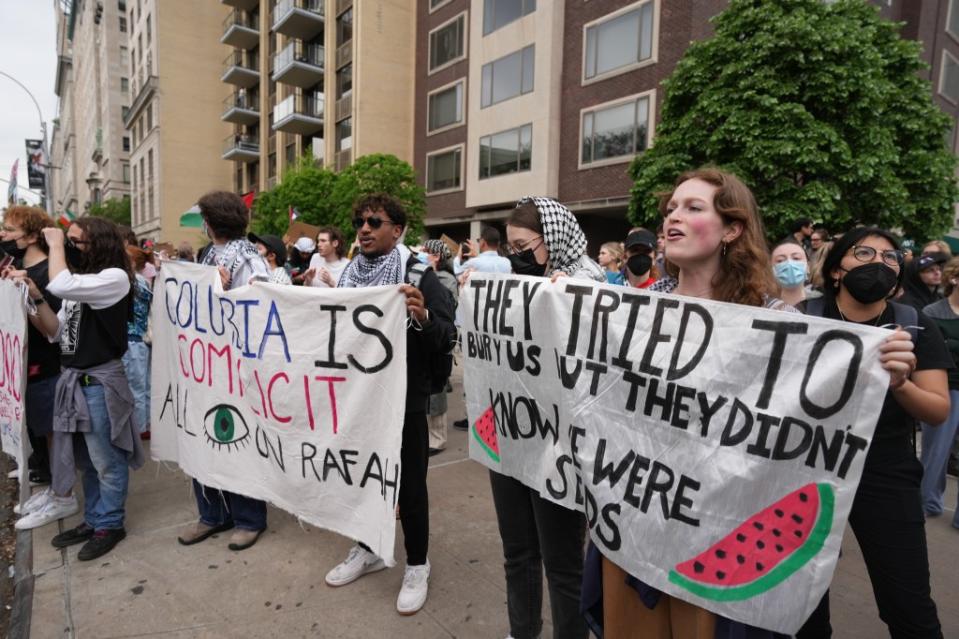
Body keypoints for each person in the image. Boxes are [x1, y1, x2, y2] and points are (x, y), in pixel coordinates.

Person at [587, 168, 793, 638]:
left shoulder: (775, 319)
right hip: (635, 512)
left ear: (733, 229)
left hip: (717, 529)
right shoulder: (636, 306)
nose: (672, 218)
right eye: (671, 209)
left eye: (693, 208)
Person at [797, 227, 949, 638]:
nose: (878, 263)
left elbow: (938, 410)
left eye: (890, 257)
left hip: (886, 471)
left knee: (909, 605)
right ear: (836, 271)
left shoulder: (915, 327)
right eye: (864, 253)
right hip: (805, 467)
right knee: (801, 605)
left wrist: (902, 384)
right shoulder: (800, 319)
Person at [324, 194, 455, 616]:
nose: (364, 228)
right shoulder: (347, 274)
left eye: (374, 221)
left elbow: (447, 334)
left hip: (405, 399)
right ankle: (369, 548)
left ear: (396, 230)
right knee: (363, 477)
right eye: (359, 221)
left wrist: (423, 317)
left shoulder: (418, 273)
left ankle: (417, 564)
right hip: (356, 396)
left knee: (410, 485)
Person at [491, 196, 602, 639]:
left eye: (523, 246)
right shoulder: (518, 286)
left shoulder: (591, 284)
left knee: (561, 564)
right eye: (509, 248)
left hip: (562, 446)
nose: (515, 256)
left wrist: (573, 304)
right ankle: (523, 632)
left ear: (552, 240)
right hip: (511, 433)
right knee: (517, 551)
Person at [16, 218, 144, 560]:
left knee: (107, 461)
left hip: (99, 385)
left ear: (97, 245)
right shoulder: (81, 285)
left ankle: (111, 524)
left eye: (76, 243)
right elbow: (55, 332)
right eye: (68, 242)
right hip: (76, 383)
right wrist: (34, 297)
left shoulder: (114, 277)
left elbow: (60, 282)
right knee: (87, 462)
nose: (70, 248)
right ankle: (94, 519)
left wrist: (55, 245)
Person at [178, 191, 270, 552]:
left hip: (235, 364)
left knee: (237, 437)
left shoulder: (249, 257)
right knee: (202, 435)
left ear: (211, 220)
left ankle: (249, 518)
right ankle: (212, 513)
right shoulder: (206, 255)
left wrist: (224, 287)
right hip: (205, 363)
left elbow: (261, 303)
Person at [1, 206, 69, 528]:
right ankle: (54, 489)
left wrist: (25, 296)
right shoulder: (13, 267)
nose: (3, 235)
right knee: (41, 432)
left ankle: (63, 495)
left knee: (54, 433)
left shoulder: (50, 273)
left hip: (46, 366)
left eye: (10, 230)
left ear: (30, 236)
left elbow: (53, 329)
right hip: (24, 367)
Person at [919, 256, 959, 529]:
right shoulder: (933, 311)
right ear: (954, 279)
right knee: (936, 451)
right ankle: (925, 501)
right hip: (945, 387)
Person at [419, 239, 458, 456]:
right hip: (425, 337)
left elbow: (448, 307)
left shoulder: (445, 279)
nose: (422, 254)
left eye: (427, 252)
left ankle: (437, 438)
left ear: (437, 257)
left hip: (440, 338)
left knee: (437, 390)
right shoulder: (420, 276)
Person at [123, 246, 153, 438]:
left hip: (132, 340)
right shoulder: (142, 282)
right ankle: (146, 424)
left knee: (136, 388)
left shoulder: (131, 283)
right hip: (142, 340)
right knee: (144, 386)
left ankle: (140, 428)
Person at [771, 239, 815, 309]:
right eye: (780, 260)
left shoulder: (822, 304)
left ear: (808, 266)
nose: (789, 264)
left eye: (796, 258)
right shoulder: (763, 304)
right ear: (771, 268)